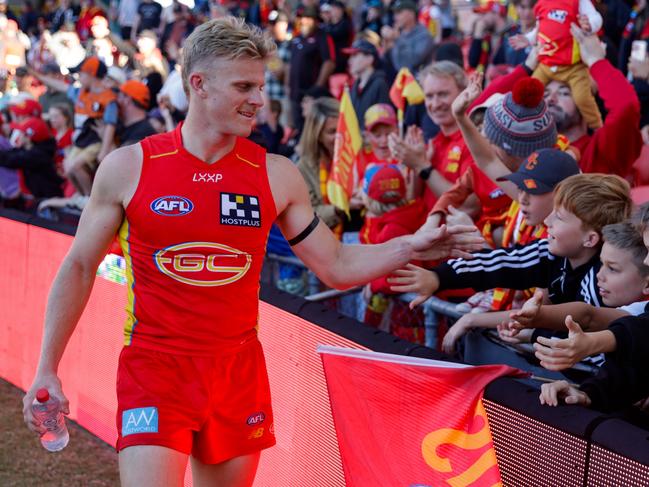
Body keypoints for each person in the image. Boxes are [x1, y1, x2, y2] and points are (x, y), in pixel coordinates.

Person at [22, 18, 483, 487]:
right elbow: (79, 266)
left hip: (238, 374)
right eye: (244, 86)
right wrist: (47, 367)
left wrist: (412, 245)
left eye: (261, 86)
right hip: (155, 368)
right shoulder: (130, 167)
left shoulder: (275, 174)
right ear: (198, 85)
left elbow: (339, 267)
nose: (259, 100)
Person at [389, 173, 632, 310]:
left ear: (590, 239)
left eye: (558, 217)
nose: (547, 221)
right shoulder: (550, 253)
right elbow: (502, 262)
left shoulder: (602, 280)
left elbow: (584, 322)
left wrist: (533, 331)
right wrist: (439, 277)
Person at [473, 26, 643, 179]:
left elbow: (625, 107)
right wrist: (528, 66)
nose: (551, 99)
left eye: (564, 93)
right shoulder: (523, 150)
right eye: (545, 93)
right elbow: (477, 113)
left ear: (587, 101)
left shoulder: (601, 150)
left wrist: (596, 61)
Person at [509, 0, 604, 129]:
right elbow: (539, 28)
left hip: (573, 67)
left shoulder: (579, 1)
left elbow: (596, 18)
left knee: (582, 98)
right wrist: (529, 39)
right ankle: (519, 125)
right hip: (546, 64)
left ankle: (598, 129)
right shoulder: (541, 3)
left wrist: (590, 25)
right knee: (528, 91)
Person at [344, 38, 391, 129]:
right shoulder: (355, 86)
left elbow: (384, 121)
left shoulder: (380, 84)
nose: (349, 61)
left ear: (370, 59)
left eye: (355, 55)